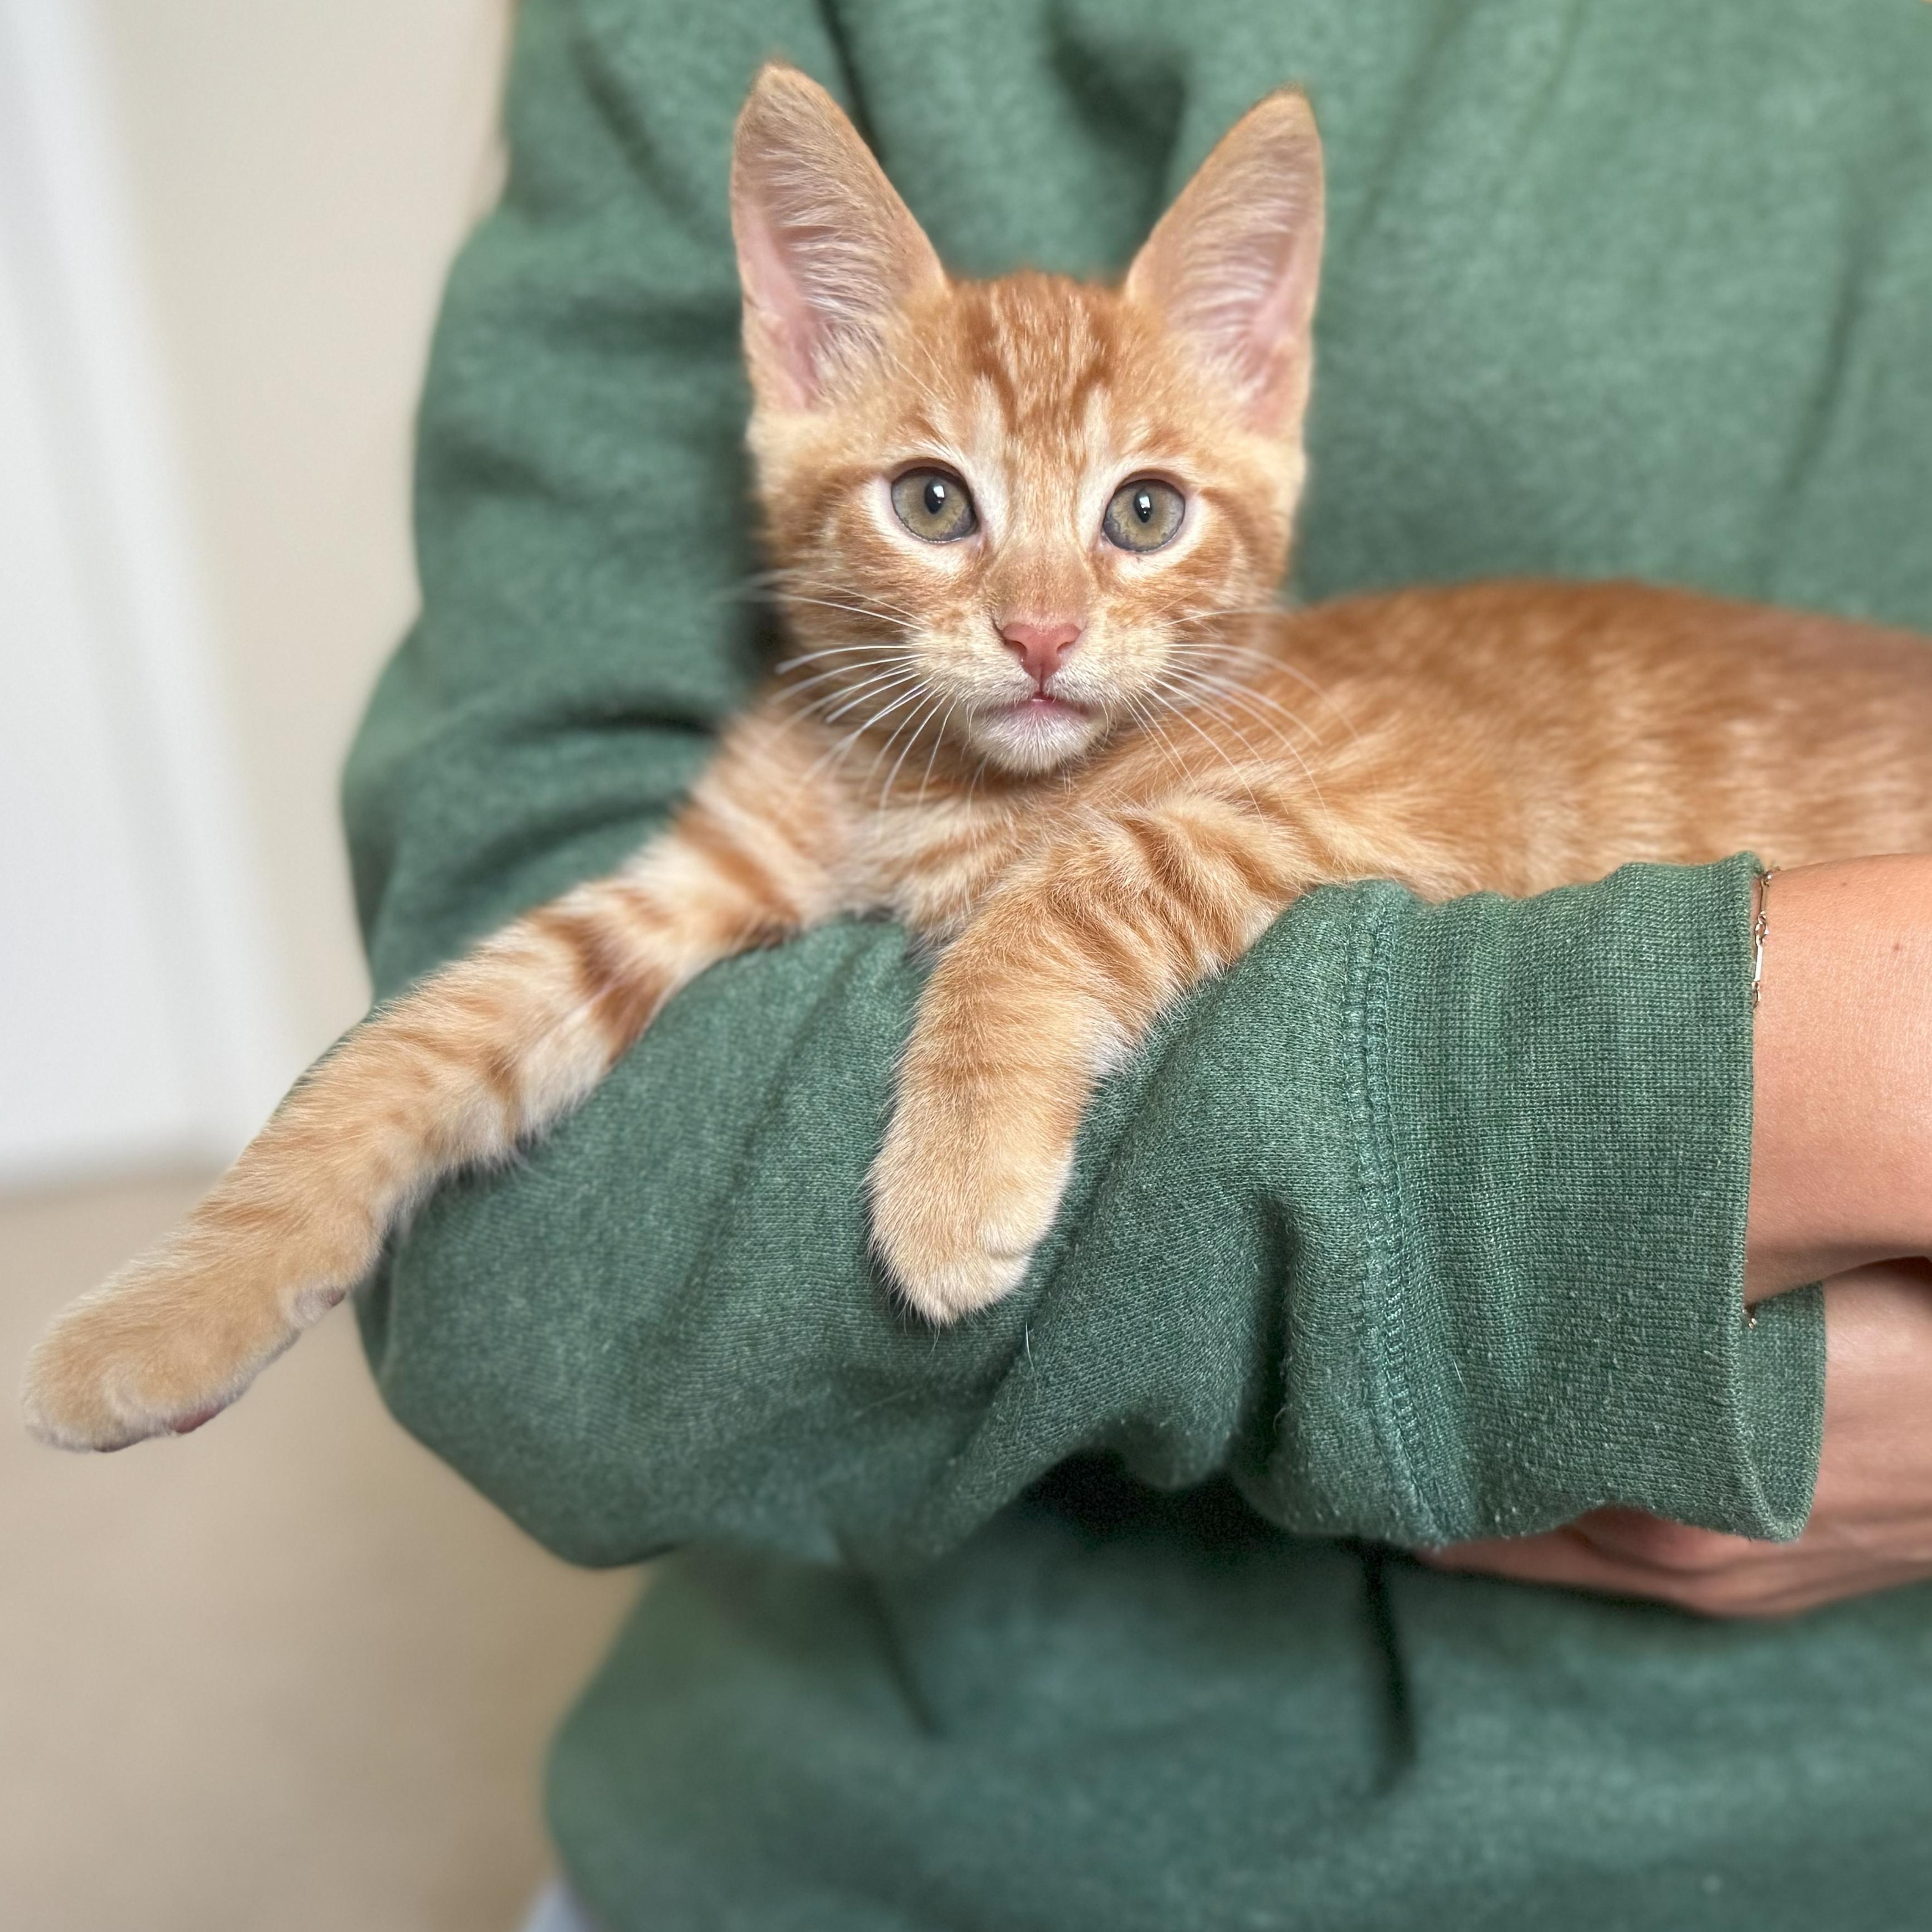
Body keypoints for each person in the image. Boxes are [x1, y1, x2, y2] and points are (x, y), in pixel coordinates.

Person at [343, 3, 1932, 1925]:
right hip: (947, 1834)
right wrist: (1670, 1135)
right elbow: (529, 1267)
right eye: (938, 504)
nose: (1036, 622)